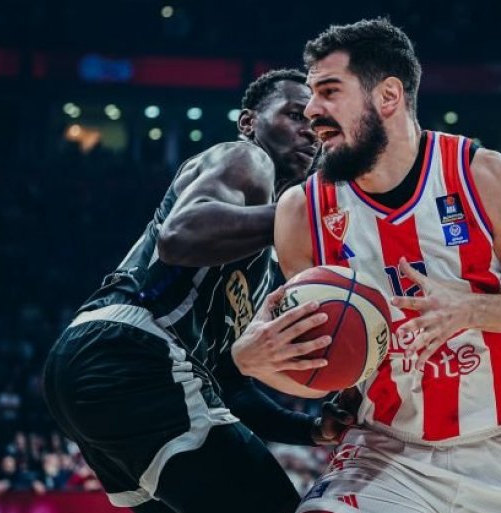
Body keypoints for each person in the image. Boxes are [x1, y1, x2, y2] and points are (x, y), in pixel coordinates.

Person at [273, 18, 501, 513]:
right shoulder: (301, 213)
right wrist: (257, 361)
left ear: (388, 96)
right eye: (312, 95)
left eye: (329, 91)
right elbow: (320, 362)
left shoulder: (479, 173)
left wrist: (470, 309)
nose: (311, 110)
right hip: (390, 451)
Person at [43, 69, 353, 513]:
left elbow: (229, 385)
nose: (310, 130)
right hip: (134, 350)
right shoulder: (246, 158)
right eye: (294, 114)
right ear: (248, 122)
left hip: (96, 366)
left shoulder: (262, 262)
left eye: (317, 123)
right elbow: (180, 235)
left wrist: (310, 429)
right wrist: (312, 215)